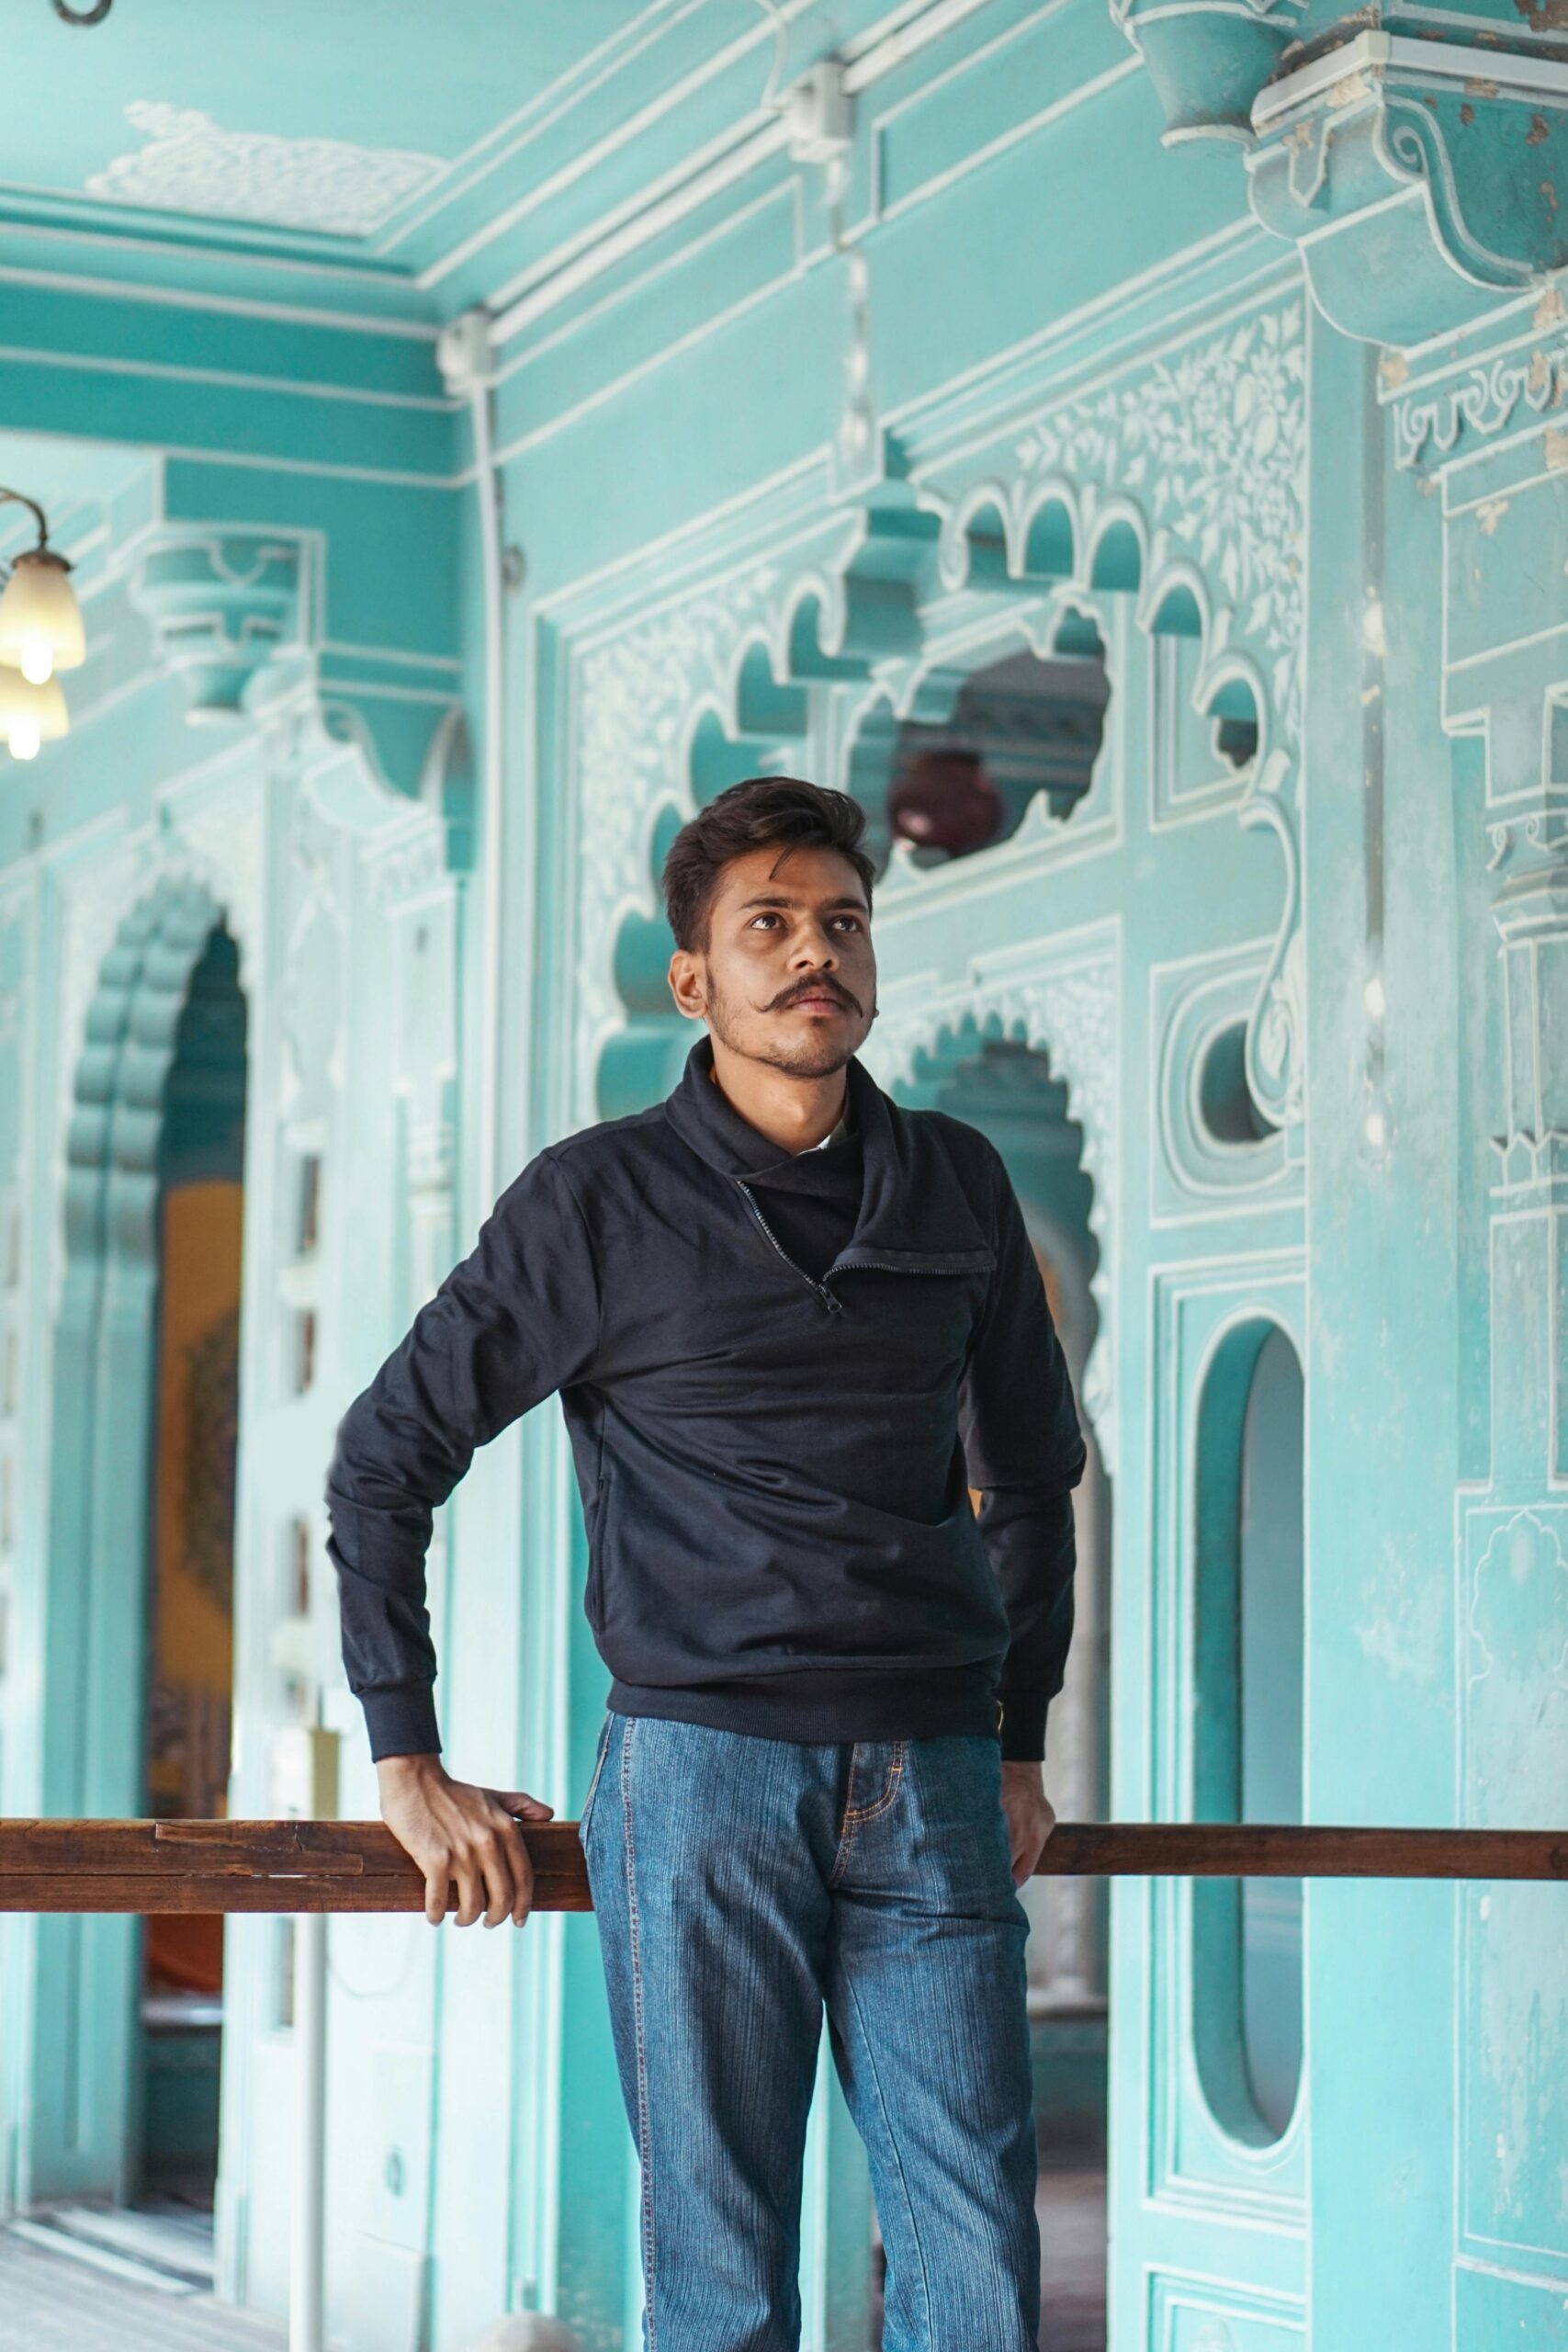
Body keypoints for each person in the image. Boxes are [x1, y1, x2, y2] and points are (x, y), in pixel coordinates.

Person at [325, 775, 1087, 2352]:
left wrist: (1017, 1737)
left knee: (978, 2267)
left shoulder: (958, 1182)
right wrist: (408, 1758)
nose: (818, 955)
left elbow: (1033, 1473)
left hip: (935, 1780)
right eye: (772, 927)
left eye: (843, 924)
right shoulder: (594, 1203)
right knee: (723, 2277)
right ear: (698, 981)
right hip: (698, 1777)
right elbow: (382, 1458)